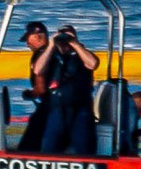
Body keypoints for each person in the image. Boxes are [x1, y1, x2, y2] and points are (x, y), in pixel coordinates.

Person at [33, 22, 102, 156]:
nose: (65, 42)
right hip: (57, 109)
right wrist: (52, 44)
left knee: (84, 149)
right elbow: (38, 70)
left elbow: (93, 64)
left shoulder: (82, 55)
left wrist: (74, 44)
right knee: (50, 148)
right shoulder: (51, 56)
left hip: (80, 110)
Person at [14, 21, 56, 151]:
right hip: (62, 103)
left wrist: (29, 94)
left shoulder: (39, 56)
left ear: (37, 36)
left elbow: (41, 89)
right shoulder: (57, 52)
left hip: (50, 106)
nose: (27, 44)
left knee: (30, 141)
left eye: (28, 39)